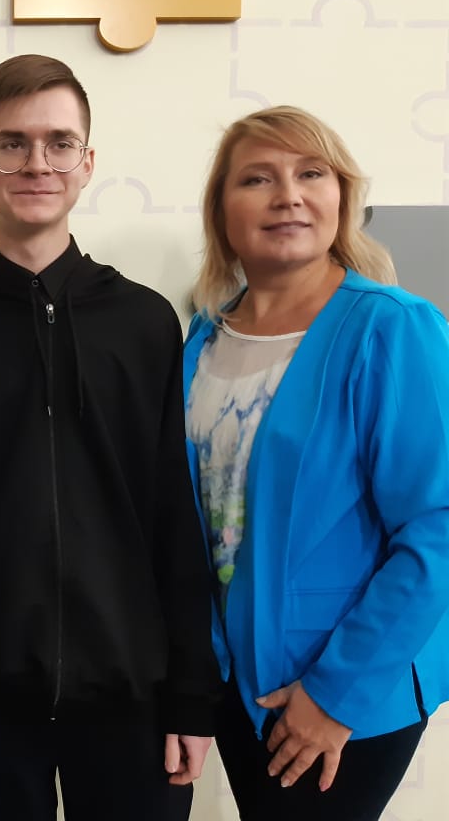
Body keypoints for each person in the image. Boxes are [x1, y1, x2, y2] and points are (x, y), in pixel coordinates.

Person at [0, 53, 219, 821]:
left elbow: (175, 515)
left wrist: (192, 691)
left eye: (60, 143)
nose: (37, 163)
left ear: (87, 163)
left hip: (133, 693)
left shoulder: (144, 324)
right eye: (13, 143)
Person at [184, 105, 449, 820]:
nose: (288, 196)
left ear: (341, 198)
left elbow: (439, 526)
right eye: (257, 179)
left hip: (340, 689)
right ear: (222, 211)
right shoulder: (203, 337)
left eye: (311, 174)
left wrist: (335, 695)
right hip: (236, 684)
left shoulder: (392, 328)